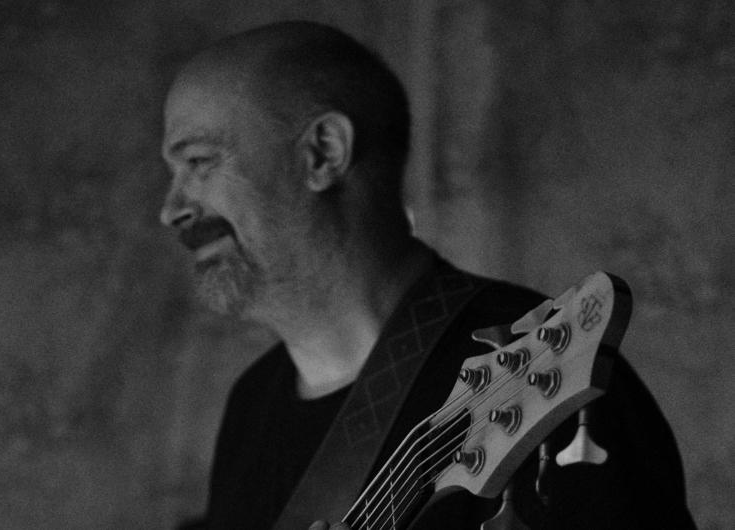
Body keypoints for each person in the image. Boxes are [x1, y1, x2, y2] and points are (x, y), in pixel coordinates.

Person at [160, 21, 695, 530]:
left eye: (199, 162)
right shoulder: (251, 405)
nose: (172, 210)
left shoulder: (544, 367)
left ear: (323, 152)